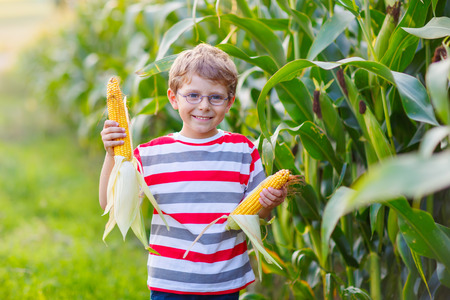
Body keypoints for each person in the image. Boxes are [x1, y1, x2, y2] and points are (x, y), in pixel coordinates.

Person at [99, 43, 287, 300]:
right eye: (193, 95)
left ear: (230, 102)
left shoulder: (243, 151)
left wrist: (269, 202)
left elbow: (258, 215)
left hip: (225, 281)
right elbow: (110, 202)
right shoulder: (150, 155)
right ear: (173, 98)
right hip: (170, 283)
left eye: (216, 97)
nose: (204, 106)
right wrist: (113, 156)